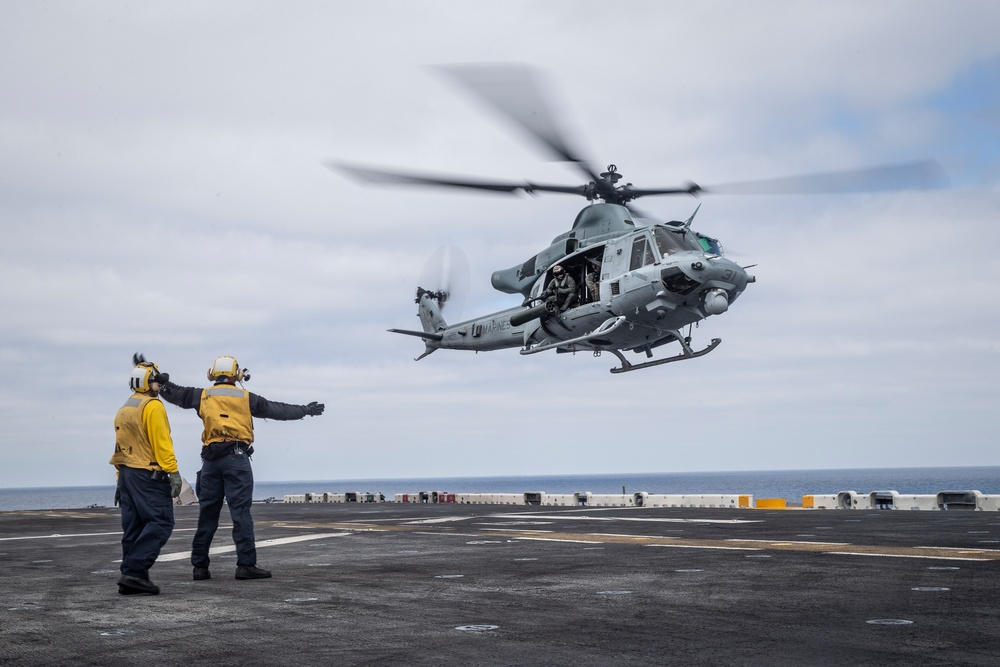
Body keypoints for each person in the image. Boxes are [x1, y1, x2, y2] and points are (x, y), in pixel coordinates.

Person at [160, 356, 325, 581]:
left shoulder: (202, 395)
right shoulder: (246, 397)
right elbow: (277, 410)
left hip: (209, 462)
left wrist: (161, 384)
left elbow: (176, 394)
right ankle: (245, 565)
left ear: (213, 374)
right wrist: (305, 410)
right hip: (236, 460)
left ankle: (199, 567)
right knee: (241, 514)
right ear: (238, 375)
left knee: (207, 516)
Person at [110, 358, 183, 596]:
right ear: (147, 383)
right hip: (148, 475)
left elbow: (121, 445)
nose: (159, 386)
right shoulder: (152, 406)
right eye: (157, 382)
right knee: (161, 522)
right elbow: (161, 443)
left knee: (134, 527)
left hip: (127, 475)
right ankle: (134, 571)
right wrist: (173, 472)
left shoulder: (125, 408)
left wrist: (120, 478)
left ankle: (131, 578)